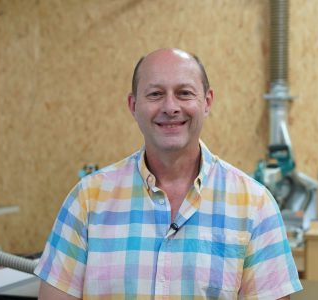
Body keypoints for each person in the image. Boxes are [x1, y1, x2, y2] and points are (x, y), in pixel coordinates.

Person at [35, 48, 302, 299]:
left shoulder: (255, 206)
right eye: (155, 94)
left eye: (184, 93)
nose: (171, 107)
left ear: (207, 102)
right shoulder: (87, 201)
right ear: (133, 105)